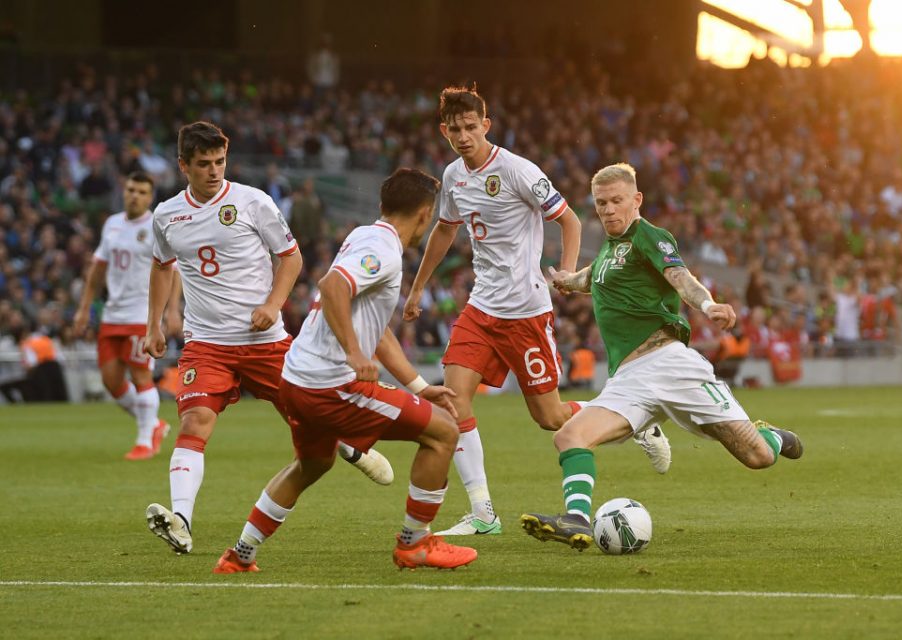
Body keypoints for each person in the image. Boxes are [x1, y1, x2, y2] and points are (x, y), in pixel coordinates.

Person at [404, 86, 671, 537]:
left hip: (526, 310)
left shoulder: (517, 170)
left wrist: (566, 273)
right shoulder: (452, 177)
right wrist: (416, 290)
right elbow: (445, 232)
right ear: (444, 130)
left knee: (549, 418)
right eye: (456, 129)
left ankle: (634, 421)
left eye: (472, 127)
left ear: (486, 126)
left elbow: (567, 219)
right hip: (481, 308)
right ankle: (484, 513)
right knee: (452, 403)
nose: (464, 136)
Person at [520, 163, 803, 549]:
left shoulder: (650, 236)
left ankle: (770, 435)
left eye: (617, 201)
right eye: (601, 203)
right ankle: (576, 519)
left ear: (636, 200)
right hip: (627, 379)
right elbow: (595, 276)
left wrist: (707, 304)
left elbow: (680, 278)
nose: (608, 210)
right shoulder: (609, 250)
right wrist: (568, 282)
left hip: (670, 365)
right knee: (569, 436)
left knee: (756, 456)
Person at [143, 121, 392, 555]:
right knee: (195, 422)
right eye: (203, 164)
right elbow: (163, 266)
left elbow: (291, 258)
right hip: (207, 343)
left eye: (220, 161)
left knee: (312, 416)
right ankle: (181, 519)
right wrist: (154, 323)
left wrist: (274, 305)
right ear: (184, 165)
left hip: (266, 342)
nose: (214, 171)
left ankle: (351, 448)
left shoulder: (252, 202)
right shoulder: (166, 215)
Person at [214, 168, 477, 573]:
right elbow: (333, 286)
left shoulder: (362, 235)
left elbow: (375, 329)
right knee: (443, 431)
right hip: (331, 384)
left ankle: (238, 555)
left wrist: (420, 386)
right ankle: (415, 543)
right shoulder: (385, 251)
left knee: (313, 464)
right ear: (425, 215)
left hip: (296, 379)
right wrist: (354, 354)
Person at [73, 171, 180, 460]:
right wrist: (84, 308)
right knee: (111, 381)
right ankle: (154, 423)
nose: (135, 195)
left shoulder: (157, 225)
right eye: (131, 189)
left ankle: (145, 440)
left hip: (141, 314)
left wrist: (171, 311)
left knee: (141, 374)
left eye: (142, 192)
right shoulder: (112, 224)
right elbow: (98, 269)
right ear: (124, 190)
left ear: (150, 196)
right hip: (112, 315)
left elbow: (172, 270)